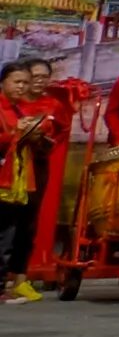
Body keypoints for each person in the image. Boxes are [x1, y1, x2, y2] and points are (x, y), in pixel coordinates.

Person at [2, 58, 53, 301]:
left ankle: (10, 283)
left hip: (21, 178)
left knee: (14, 232)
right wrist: (16, 132)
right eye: (18, 81)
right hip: (5, 178)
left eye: (25, 82)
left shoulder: (20, 109)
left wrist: (36, 134)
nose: (23, 86)